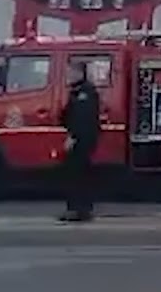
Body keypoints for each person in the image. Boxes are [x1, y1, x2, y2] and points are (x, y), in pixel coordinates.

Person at [59, 62, 101, 222]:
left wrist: (73, 137)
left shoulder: (86, 93)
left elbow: (83, 119)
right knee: (77, 174)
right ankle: (78, 209)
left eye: (71, 72)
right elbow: (69, 114)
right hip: (81, 138)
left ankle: (79, 210)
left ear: (80, 73)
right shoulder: (77, 91)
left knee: (78, 174)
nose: (69, 75)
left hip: (82, 139)